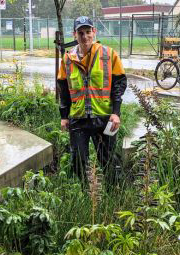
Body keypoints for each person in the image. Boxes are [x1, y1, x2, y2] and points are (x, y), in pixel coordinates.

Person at [57, 16, 127, 186]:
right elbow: (64, 88)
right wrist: (64, 116)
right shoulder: (67, 59)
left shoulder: (109, 55)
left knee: (108, 160)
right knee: (78, 161)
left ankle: (114, 197)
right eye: (81, 33)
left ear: (94, 32)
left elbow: (119, 83)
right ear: (75, 35)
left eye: (88, 32)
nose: (85, 36)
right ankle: (87, 196)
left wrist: (116, 113)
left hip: (104, 117)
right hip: (78, 118)